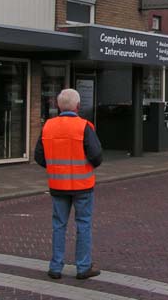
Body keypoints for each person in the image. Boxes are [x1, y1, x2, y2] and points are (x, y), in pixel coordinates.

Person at [34, 88, 103, 280]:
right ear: (78, 107)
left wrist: (56, 167)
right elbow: (97, 156)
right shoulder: (84, 126)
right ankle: (83, 267)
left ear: (58, 106)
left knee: (59, 225)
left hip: (58, 185)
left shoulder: (48, 126)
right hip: (82, 185)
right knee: (83, 224)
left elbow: (39, 156)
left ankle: (55, 266)